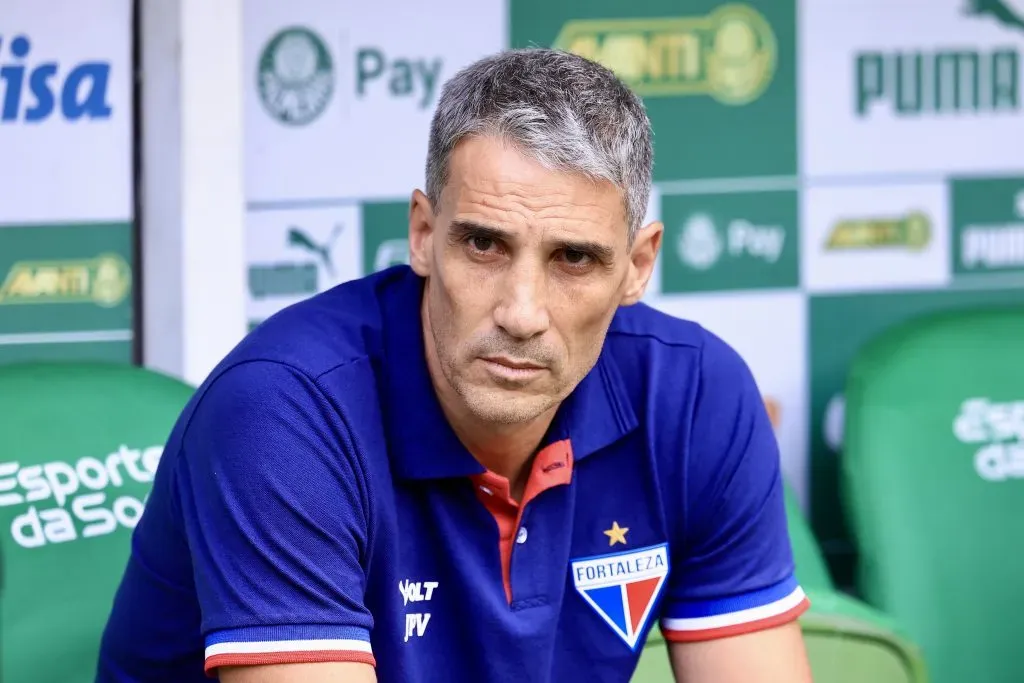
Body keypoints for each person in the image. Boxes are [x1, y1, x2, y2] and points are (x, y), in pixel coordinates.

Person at [97, 47, 812, 682]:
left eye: (574, 258)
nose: (522, 311)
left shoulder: (695, 395)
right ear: (423, 233)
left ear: (638, 265)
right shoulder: (283, 409)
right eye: (483, 245)